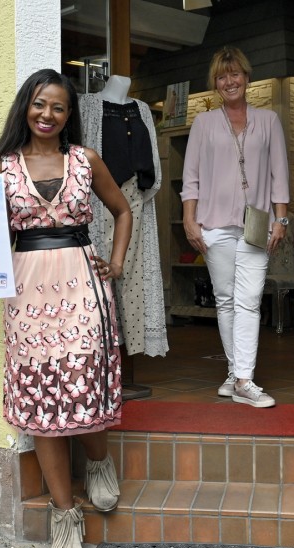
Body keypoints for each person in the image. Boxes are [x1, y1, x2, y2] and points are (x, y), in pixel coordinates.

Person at [0, 69, 131, 548]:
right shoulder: (3, 166)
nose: (47, 115)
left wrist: (115, 265)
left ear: (69, 114)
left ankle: (98, 464)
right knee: (43, 396)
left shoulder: (85, 160)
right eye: (38, 104)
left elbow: (122, 211)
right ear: (24, 108)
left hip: (83, 283)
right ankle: (64, 513)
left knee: (84, 379)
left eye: (57, 107)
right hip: (27, 290)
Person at [181, 46, 290, 408]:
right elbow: (191, 176)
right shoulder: (204, 123)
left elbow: (279, 174)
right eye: (222, 76)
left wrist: (282, 218)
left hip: (257, 224)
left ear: (247, 77)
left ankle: (243, 378)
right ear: (216, 83)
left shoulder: (269, 120)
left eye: (235, 74)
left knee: (249, 300)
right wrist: (188, 219)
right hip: (212, 225)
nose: (230, 81)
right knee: (226, 301)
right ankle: (236, 374)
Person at [80, 74, 169, 357]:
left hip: (134, 200)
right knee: (101, 271)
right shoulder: (88, 105)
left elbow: (151, 159)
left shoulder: (142, 109)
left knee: (134, 276)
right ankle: (102, 348)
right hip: (98, 198)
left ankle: (129, 351)